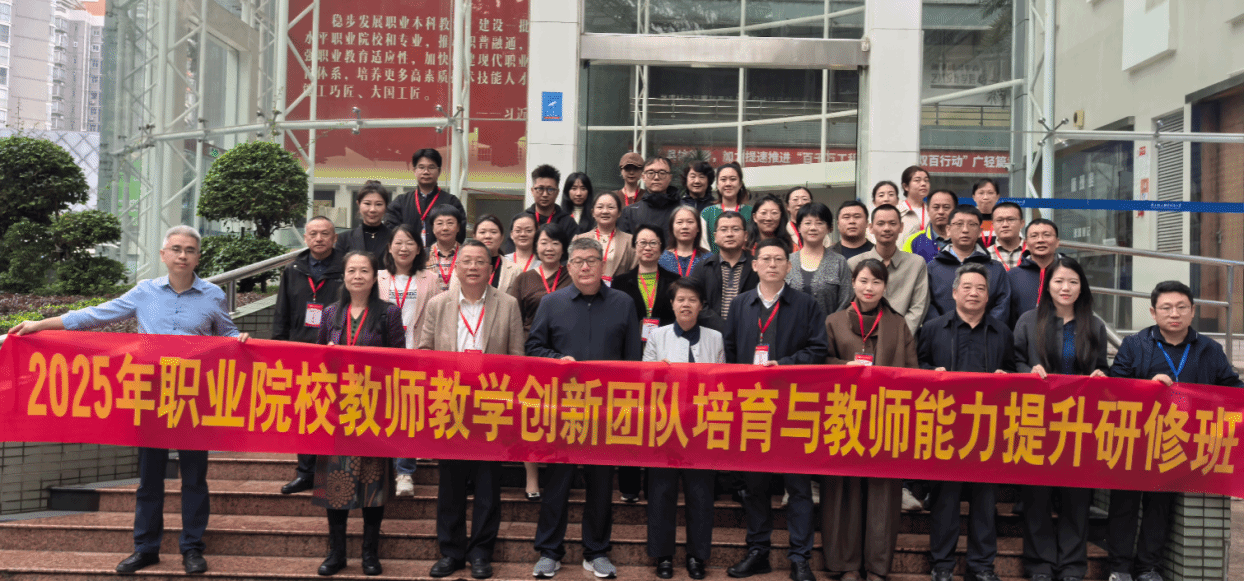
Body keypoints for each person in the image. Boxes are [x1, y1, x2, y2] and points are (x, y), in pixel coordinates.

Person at [10, 225, 247, 576]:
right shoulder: (144, 292)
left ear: (198, 257)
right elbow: (94, 314)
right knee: (149, 478)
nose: (183, 255)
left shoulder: (213, 295)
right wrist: (41, 325)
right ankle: (146, 548)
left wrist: (239, 338)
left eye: (190, 250)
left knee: (194, 477)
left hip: (193, 397)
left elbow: (227, 333)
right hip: (151, 395)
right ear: (164, 254)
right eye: (176, 249)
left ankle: (192, 548)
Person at [1106, 281, 1243, 581]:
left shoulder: (1209, 349)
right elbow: (1116, 386)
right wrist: (1147, 386)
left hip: (1177, 443)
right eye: (1166, 308)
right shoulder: (1135, 345)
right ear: (1153, 312)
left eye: (1182, 307)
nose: (1174, 313)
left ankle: (1148, 568)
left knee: (1159, 507)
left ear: (1193, 311)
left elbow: (1232, 387)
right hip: (1136, 439)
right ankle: (1119, 568)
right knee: (1124, 505)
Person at [526, 237, 643, 579]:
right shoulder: (552, 302)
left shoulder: (623, 303)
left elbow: (632, 358)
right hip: (562, 410)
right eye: (578, 261)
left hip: (605, 412)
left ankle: (597, 551)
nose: (586, 267)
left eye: (592, 260)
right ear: (569, 266)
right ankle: (549, 551)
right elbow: (534, 347)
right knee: (557, 483)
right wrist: (556, 359)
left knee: (601, 485)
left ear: (603, 264)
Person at [722, 238, 828, 581]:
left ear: (788, 266)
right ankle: (758, 552)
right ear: (754, 265)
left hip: (794, 408)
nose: (771, 264)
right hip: (753, 408)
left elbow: (818, 350)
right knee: (755, 486)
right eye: (765, 259)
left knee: (798, 487)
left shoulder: (806, 305)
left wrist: (783, 365)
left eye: (778, 259)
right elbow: (730, 351)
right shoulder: (740, 304)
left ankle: (800, 558)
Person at [420, 240, 525, 580]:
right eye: (466, 261)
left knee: (487, 484)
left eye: (480, 261)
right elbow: (425, 352)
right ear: (456, 267)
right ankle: (451, 552)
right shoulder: (438, 304)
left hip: (491, 405)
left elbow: (517, 358)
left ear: (491, 268)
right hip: (450, 403)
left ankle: (481, 552)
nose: (473, 267)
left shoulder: (507, 304)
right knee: (450, 484)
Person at [918, 262, 1016, 581]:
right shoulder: (933, 329)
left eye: (981, 288)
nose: (974, 293)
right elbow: (917, 367)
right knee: (945, 500)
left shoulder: (1002, 332)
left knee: (985, 502)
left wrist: (1006, 376)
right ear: (954, 292)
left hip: (987, 431)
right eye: (968, 287)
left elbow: (1013, 372)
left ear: (988, 296)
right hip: (945, 429)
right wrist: (930, 375)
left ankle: (981, 566)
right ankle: (942, 565)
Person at [1012, 257, 1107, 581]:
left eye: (1073, 282)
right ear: (1047, 285)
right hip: (1037, 420)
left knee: (1076, 499)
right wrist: (1028, 371)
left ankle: (1071, 566)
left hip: (1079, 424)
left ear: (1082, 287)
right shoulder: (1028, 321)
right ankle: (1039, 565)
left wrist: (1100, 375)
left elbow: (1102, 367)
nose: (1065, 288)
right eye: (1059, 281)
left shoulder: (1094, 325)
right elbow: (1015, 361)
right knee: (1036, 498)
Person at [821, 258, 915, 581]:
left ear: (885, 286)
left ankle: (876, 566)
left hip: (885, 419)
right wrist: (840, 368)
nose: (869, 288)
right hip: (843, 417)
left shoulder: (898, 324)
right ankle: (846, 564)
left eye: (876, 282)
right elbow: (819, 364)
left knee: (882, 493)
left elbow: (913, 372)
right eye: (863, 281)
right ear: (853, 284)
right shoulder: (834, 321)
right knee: (843, 491)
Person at [312, 250, 404, 577]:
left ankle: (369, 553)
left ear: (374, 276)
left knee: (372, 484)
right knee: (335, 484)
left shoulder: (388, 313)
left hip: (373, 411)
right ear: (344, 276)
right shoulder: (330, 314)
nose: (357, 276)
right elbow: (318, 360)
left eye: (364, 270)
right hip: (336, 413)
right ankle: (337, 553)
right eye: (352, 270)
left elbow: (400, 360)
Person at [642, 277, 723, 580]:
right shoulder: (657, 336)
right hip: (665, 425)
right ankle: (663, 556)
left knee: (700, 494)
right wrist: (658, 373)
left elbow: (722, 381)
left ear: (701, 306)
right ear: (672, 305)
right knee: (661, 492)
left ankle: (697, 557)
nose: (686, 305)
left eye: (692, 299)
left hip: (701, 427)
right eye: (680, 300)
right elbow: (644, 380)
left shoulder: (715, 338)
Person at [272, 216, 343, 496]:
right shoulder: (293, 270)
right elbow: (282, 312)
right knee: (305, 414)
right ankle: (305, 473)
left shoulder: (346, 268)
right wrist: (278, 348)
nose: (319, 238)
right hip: (300, 352)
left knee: (335, 412)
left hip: (336, 351)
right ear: (305, 238)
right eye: (313, 234)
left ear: (334, 238)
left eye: (325, 234)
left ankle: (333, 471)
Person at [377, 224, 441, 497]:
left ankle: (404, 473)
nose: (404, 248)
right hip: (383, 355)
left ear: (418, 249)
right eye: (398, 243)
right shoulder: (378, 277)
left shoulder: (431, 279)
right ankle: (382, 469)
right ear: (389, 247)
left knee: (408, 413)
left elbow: (438, 317)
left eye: (410, 243)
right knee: (382, 412)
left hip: (417, 354)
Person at [848, 204, 929, 335]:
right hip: (864, 337)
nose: (886, 228)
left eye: (892, 223)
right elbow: (851, 306)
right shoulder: (854, 263)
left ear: (901, 227)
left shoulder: (916, 264)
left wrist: (899, 336)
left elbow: (919, 307)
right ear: (871, 228)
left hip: (904, 338)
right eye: (880, 224)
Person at [926, 205, 1011, 325]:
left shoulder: (995, 268)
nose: (965, 230)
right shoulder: (933, 268)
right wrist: (943, 329)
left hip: (986, 334)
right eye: (959, 224)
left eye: (972, 224)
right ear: (948, 230)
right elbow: (927, 304)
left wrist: (984, 330)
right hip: (943, 333)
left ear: (980, 232)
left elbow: (1002, 305)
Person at [384, 148, 466, 245]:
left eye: (431, 167)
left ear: (439, 171)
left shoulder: (451, 202)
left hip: (440, 253)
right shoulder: (401, 202)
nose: (426, 172)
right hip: (407, 253)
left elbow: (460, 232)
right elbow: (390, 232)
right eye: (421, 167)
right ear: (414, 170)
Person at [613, 224, 680, 340]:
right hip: (630, 343)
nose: (648, 248)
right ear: (634, 247)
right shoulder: (619, 283)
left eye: (653, 243)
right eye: (642, 243)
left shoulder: (675, 281)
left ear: (661, 248)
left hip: (666, 342)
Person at [787, 202, 853, 316]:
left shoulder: (839, 262)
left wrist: (831, 324)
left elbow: (846, 300)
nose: (813, 228)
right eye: (807, 223)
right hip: (792, 326)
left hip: (830, 326)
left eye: (819, 223)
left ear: (829, 228)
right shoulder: (787, 261)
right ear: (799, 228)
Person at [692, 210, 758, 322]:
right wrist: (721, 327)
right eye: (724, 229)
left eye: (735, 229)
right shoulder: (703, 267)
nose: (729, 234)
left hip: (749, 328)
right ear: (715, 236)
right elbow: (696, 302)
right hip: (711, 330)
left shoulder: (757, 266)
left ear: (746, 235)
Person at [509, 223, 572, 333]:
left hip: (565, 339)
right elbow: (514, 319)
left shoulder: (572, 276)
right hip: (532, 340)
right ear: (536, 247)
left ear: (563, 248)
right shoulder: (523, 279)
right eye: (544, 243)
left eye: (555, 243)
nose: (549, 248)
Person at [573, 190, 635, 284]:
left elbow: (633, 273)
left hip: (618, 291)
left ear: (619, 213)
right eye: (600, 207)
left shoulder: (630, 241)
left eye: (611, 207)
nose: (605, 211)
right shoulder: (579, 240)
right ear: (593, 212)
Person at [1007, 218, 1061, 326]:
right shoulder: (1012, 275)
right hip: (1022, 335)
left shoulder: (1070, 273)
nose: (1040, 240)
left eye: (1046, 235)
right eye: (1034, 236)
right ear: (1026, 243)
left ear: (1057, 242)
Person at [449, 214, 520, 295]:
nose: (488, 236)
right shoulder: (461, 266)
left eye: (493, 232)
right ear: (474, 237)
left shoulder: (515, 270)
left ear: (501, 237)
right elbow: (453, 295)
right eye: (482, 232)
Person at [618, 156, 681, 235]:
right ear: (643, 177)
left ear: (670, 177)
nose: (656, 177)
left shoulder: (683, 210)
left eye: (662, 173)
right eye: (651, 173)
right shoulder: (630, 212)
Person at [700, 162, 752, 253]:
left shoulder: (751, 212)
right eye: (723, 179)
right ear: (717, 185)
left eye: (733, 179)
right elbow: (703, 246)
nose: (728, 183)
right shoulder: (707, 213)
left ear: (740, 184)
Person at [335, 181, 392, 260]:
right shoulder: (344, 239)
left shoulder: (393, 237)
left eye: (378, 204)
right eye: (367, 204)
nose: (372, 209)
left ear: (386, 206)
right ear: (358, 204)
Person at [901, 189, 956, 263]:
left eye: (946, 207)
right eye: (936, 207)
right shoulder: (913, 241)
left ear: (955, 211)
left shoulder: (965, 239)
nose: (941, 212)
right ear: (928, 210)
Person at [526, 164, 578, 234]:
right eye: (540, 189)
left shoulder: (568, 223)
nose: (545, 194)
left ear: (557, 192)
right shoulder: (522, 220)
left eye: (550, 189)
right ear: (532, 191)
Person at [659, 205, 709, 277]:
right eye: (679, 222)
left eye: (690, 222)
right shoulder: (661, 258)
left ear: (698, 228)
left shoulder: (708, 259)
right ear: (672, 227)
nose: (685, 226)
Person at [428, 204, 467, 293]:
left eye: (450, 223)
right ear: (433, 228)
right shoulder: (423, 256)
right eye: (440, 223)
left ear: (458, 227)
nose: (445, 228)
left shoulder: (468, 254)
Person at [987, 201, 1025, 270]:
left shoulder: (1032, 251)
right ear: (993, 225)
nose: (1005, 225)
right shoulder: (985, 255)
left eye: (1011, 219)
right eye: (999, 220)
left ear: (1022, 223)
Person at [898, 165, 931, 241]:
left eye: (926, 180)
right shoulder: (897, 211)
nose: (923, 184)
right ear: (906, 186)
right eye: (917, 180)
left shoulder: (932, 211)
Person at [972, 178, 1001, 248]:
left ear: (997, 196)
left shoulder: (1004, 218)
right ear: (974, 197)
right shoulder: (968, 218)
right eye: (981, 193)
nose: (985, 197)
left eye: (990, 193)